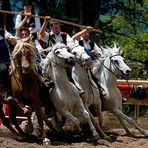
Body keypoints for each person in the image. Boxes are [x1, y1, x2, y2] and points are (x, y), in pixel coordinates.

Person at [38, 16, 85, 96]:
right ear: (51, 27)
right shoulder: (48, 35)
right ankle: (47, 88)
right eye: (54, 26)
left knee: (73, 67)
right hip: (52, 58)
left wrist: (67, 47)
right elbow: (41, 34)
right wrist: (45, 22)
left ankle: (76, 87)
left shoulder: (65, 35)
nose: (57, 28)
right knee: (43, 70)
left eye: (58, 26)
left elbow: (71, 44)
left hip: (65, 57)